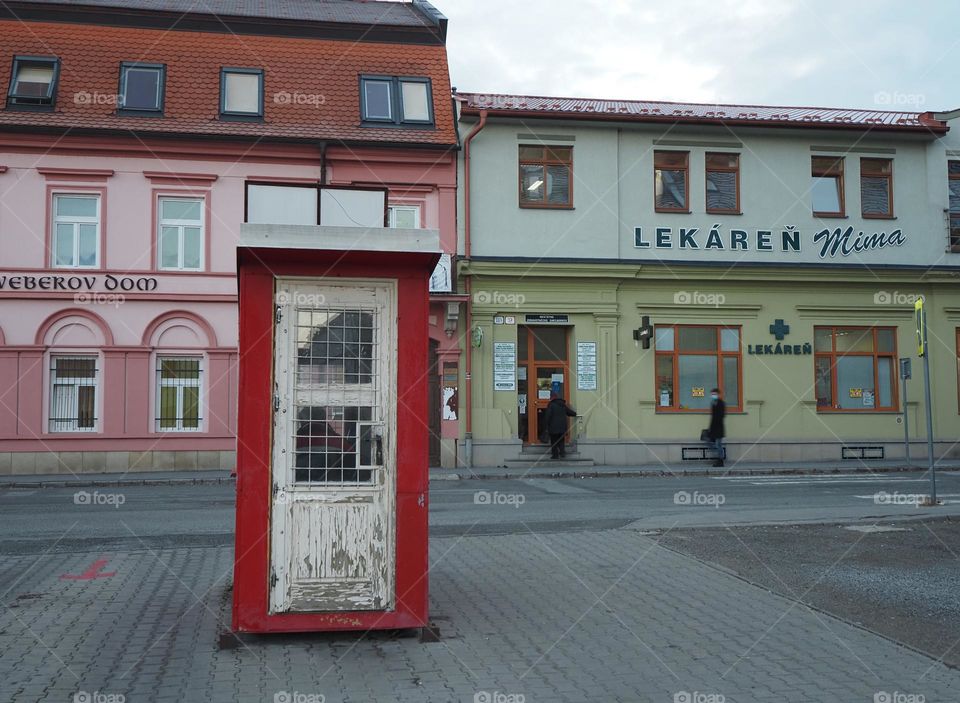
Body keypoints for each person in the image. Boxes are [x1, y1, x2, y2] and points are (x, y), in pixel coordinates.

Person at [543, 392, 576, 459]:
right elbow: (570, 413)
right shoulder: (563, 405)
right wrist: (574, 412)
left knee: (554, 441)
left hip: (553, 427)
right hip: (562, 427)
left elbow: (548, 416)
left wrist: (546, 425)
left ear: (552, 397)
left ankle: (555, 455)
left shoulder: (551, 405)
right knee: (561, 440)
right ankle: (562, 453)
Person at [707, 387, 726, 467]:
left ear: (718, 394)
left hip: (718, 428)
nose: (712, 395)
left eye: (714, 394)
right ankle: (720, 458)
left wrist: (714, 425)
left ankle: (720, 460)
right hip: (714, 428)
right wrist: (710, 428)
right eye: (712, 394)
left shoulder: (721, 403)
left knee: (718, 444)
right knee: (712, 443)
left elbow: (721, 415)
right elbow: (713, 416)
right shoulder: (713, 403)